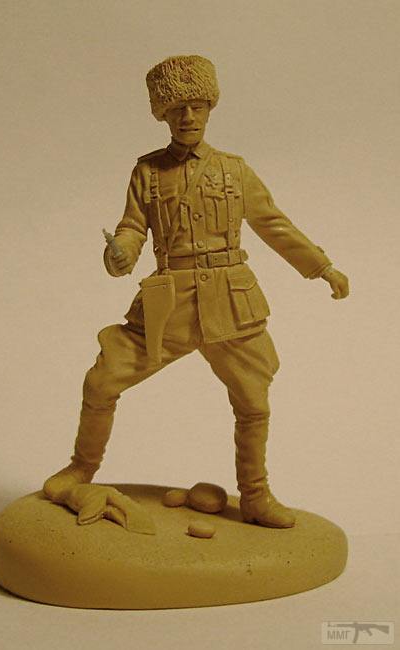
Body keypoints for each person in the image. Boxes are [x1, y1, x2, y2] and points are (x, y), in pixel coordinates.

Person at [43, 55, 349, 528]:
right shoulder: (147, 172)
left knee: (253, 401)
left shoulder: (234, 170)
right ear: (162, 115)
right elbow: (132, 226)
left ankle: (256, 495)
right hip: (169, 304)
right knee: (102, 381)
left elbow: (273, 224)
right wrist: (120, 254)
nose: (188, 117)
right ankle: (81, 469)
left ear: (210, 110)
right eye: (177, 109)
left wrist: (321, 266)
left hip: (231, 302)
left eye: (198, 107)